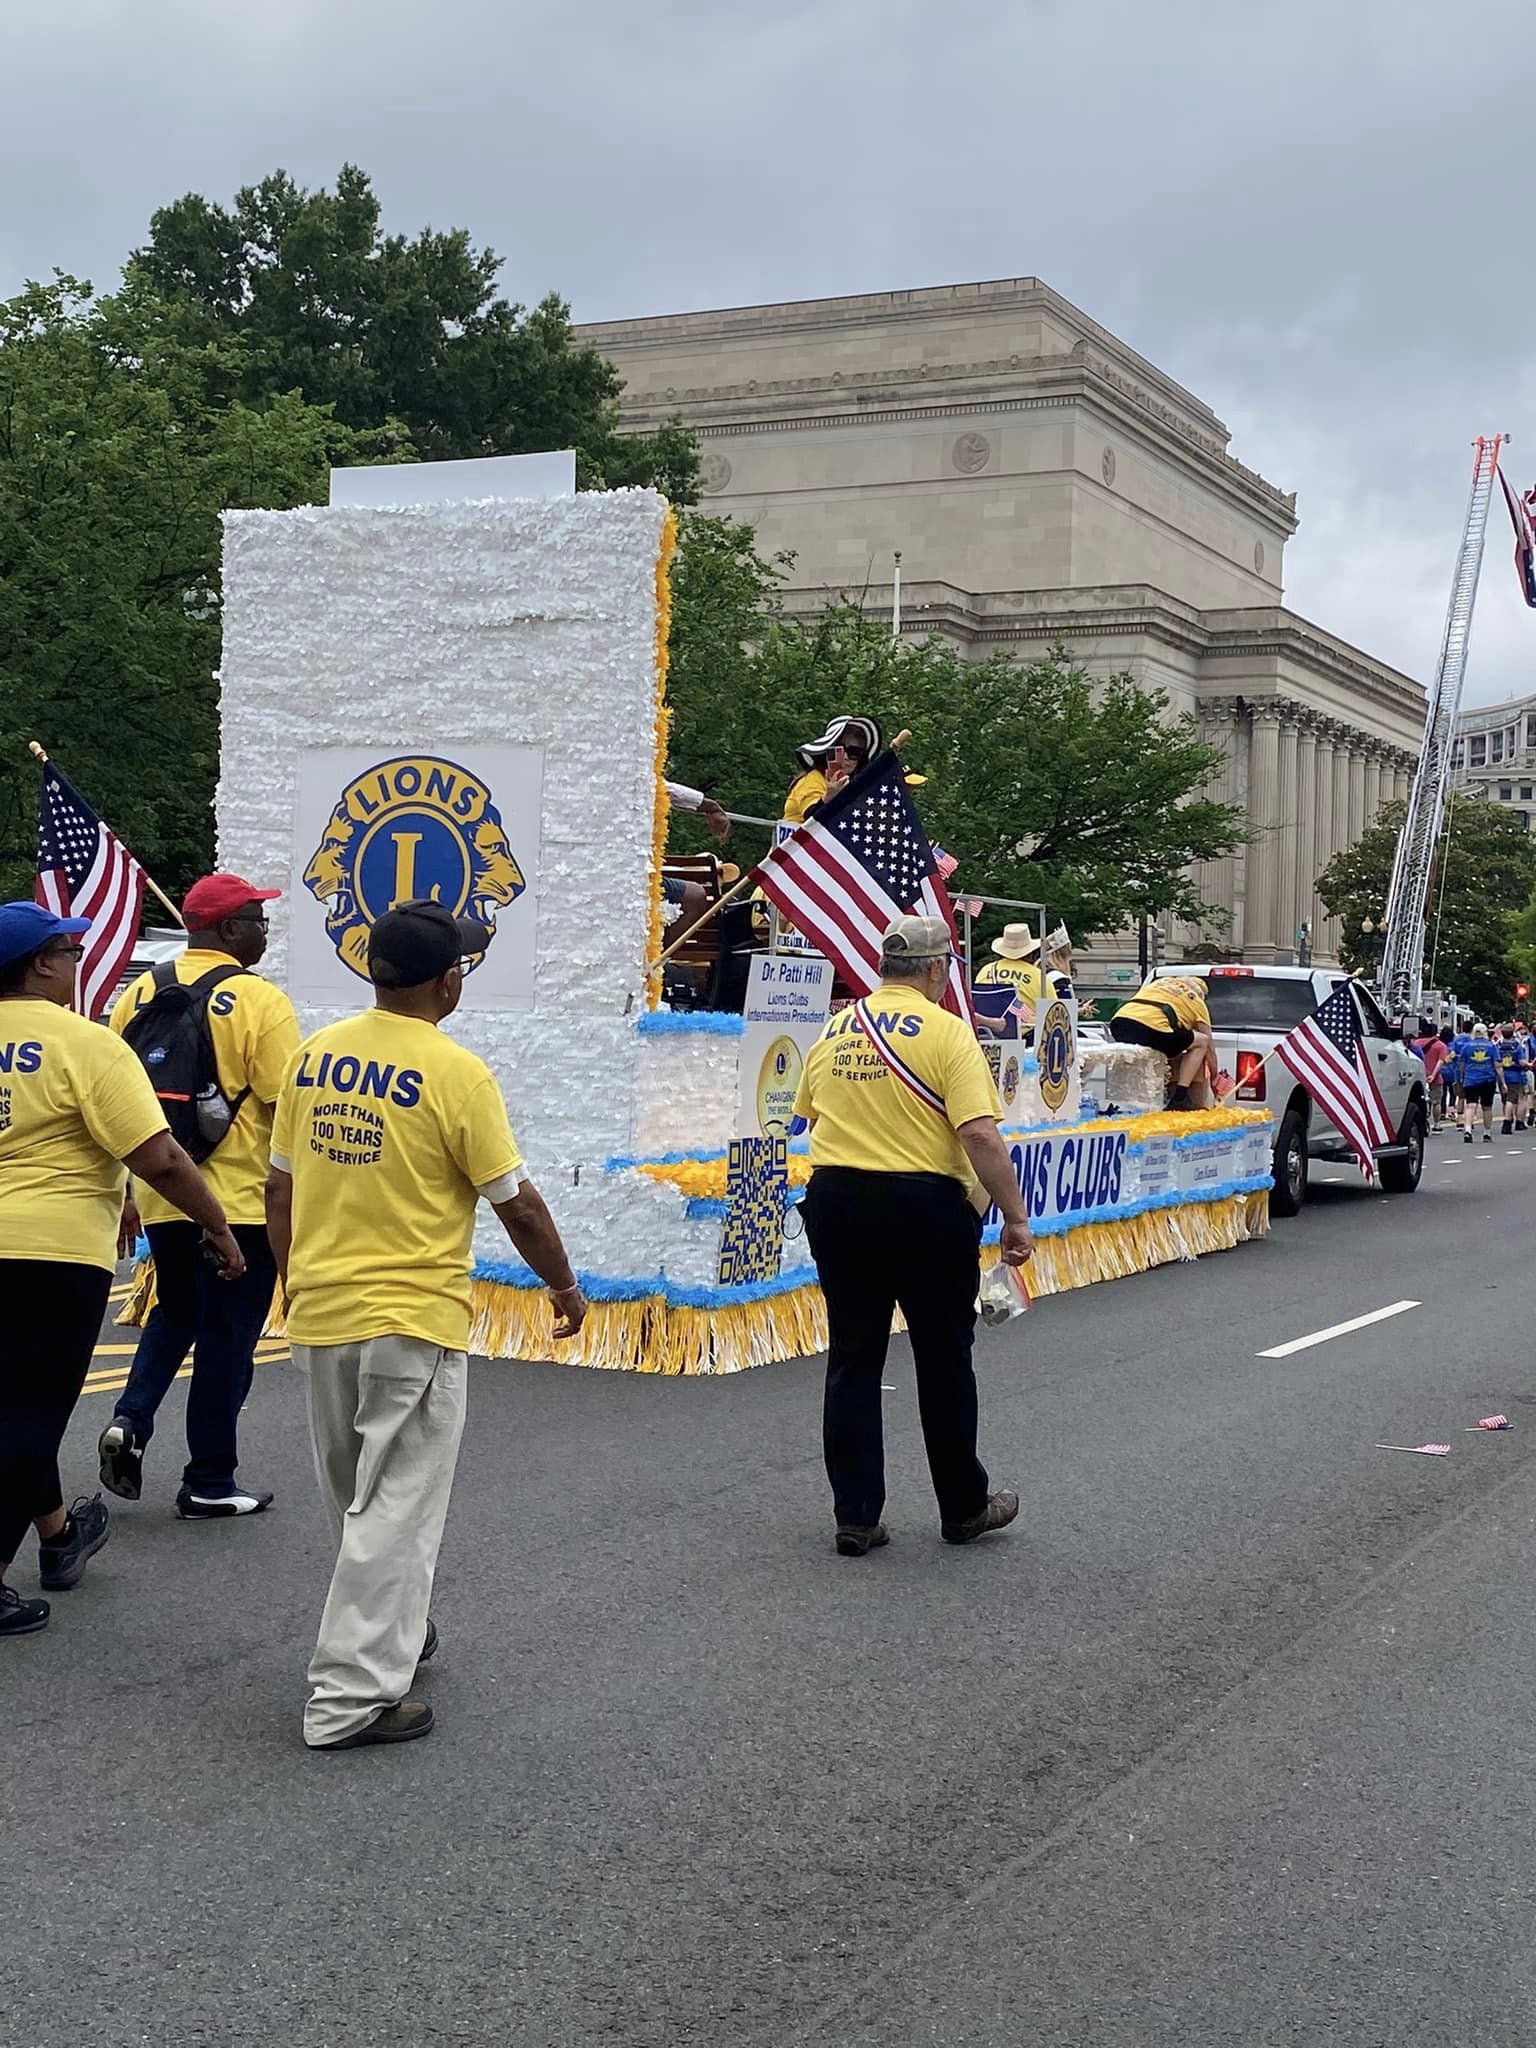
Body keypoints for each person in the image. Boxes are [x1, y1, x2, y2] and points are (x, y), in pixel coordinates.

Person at [265, 900, 588, 1749]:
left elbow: (279, 1187)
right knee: (397, 1504)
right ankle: (349, 1698)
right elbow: (514, 1202)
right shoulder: (456, 1073)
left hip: (324, 1306)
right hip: (413, 1313)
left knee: (355, 1495)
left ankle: (390, 1633)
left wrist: (292, 1277)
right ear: (449, 980)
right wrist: (562, 1285)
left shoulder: (312, 1057)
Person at [0, 904, 244, 1639]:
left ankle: (57, 1534)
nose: (78, 963)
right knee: (32, 1412)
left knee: (11, 1404)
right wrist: (216, 1222)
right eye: (69, 950)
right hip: (53, 1251)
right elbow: (161, 1154)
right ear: (41, 964)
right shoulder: (85, 1045)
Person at [793, 914, 1033, 1558]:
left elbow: (807, 1111)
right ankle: (962, 1507)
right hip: (924, 1207)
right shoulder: (949, 1034)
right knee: (943, 1357)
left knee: (853, 1357)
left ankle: (856, 1515)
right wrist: (1014, 1214)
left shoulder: (839, 1026)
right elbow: (979, 1134)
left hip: (839, 1200)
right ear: (934, 969)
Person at [100, 873, 300, 1517]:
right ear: (225, 930)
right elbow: (285, 1108)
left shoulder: (138, 994)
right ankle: (210, 1480)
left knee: (176, 1313)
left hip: (164, 1197)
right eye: (256, 920)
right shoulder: (260, 1002)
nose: (264, 932)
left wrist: (132, 1190)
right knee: (228, 1335)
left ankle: (130, 1420)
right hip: (239, 1201)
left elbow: (122, 1106)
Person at [1107, 973, 1216, 1110]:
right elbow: (1209, 1044)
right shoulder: (1195, 1000)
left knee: (1168, 1040)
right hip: (1151, 1030)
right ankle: (1179, 1097)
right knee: (1202, 1041)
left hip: (1119, 1025)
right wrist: (1215, 1077)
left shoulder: (1159, 983)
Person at [783, 715, 882, 823]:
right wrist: (828, 797)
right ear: (827, 751)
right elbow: (811, 820)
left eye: (854, 752)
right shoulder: (813, 779)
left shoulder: (855, 789)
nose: (845, 757)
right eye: (839, 750)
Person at [974, 925, 1046, 1034]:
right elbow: (1053, 1012)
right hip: (1025, 1036)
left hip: (986, 1034)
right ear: (1030, 953)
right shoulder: (1039, 976)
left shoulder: (985, 971)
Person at [1451, 1022, 1500, 1144]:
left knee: (1470, 1105)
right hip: (1488, 1079)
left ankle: (1467, 1130)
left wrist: (1462, 1077)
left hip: (1471, 1079)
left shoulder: (1467, 1046)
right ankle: (1487, 1133)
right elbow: (1497, 1065)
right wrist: (1502, 1082)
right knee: (1487, 1107)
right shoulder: (1491, 1046)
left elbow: (1461, 1064)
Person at [1413, 1022, 1450, 1131]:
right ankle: (1437, 1124)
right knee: (1436, 1101)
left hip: (1418, 1076)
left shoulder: (1416, 1043)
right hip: (1435, 1077)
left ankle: (1422, 1123)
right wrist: (1433, 1075)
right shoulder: (1441, 1045)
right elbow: (1440, 1061)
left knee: (1421, 1101)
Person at [1496, 1023, 1529, 1136]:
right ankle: (1509, 1122)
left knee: (1505, 1099)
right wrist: (1528, 1064)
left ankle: (1507, 1117)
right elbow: (1521, 1061)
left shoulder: (1498, 1045)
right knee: (1513, 1099)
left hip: (1502, 1075)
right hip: (1515, 1074)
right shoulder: (1517, 1046)